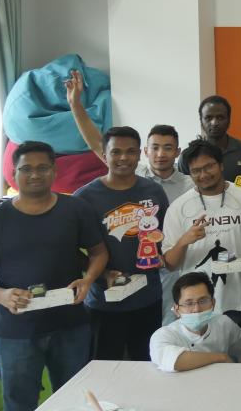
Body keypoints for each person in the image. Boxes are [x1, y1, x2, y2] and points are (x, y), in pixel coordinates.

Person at [0, 141, 109, 411]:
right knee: (19, 403)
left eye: (43, 168)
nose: (35, 174)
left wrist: (88, 279)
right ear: (13, 173)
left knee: (74, 399)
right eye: (26, 168)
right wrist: (1, 295)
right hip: (17, 329)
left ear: (54, 171)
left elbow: (98, 253)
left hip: (70, 323)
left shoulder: (75, 209)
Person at [73, 126, 170, 361]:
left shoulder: (154, 191)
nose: (124, 158)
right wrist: (101, 273)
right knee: (104, 367)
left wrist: (162, 255)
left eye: (130, 151)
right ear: (104, 155)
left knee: (147, 364)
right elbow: (69, 249)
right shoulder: (84, 198)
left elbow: (165, 236)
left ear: (140, 154)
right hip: (103, 302)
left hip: (148, 297)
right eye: (116, 152)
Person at [163, 139, 241, 335]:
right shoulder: (178, 208)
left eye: (209, 166)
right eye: (196, 171)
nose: (203, 175)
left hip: (237, 302)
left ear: (221, 165)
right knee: (200, 355)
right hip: (195, 308)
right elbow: (170, 264)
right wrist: (185, 240)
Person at [65, 70, 191, 202]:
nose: (160, 154)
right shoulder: (130, 170)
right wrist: (75, 104)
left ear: (177, 152)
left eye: (168, 148)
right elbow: (97, 143)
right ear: (145, 152)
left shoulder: (191, 185)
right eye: (155, 148)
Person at [149, 272, 241, 372]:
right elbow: (175, 361)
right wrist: (221, 357)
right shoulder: (164, 335)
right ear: (177, 310)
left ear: (213, 303)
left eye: (203, 301)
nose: (197, 309)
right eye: (189, 303)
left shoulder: (224, 324)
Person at [177, 95, 241, 184]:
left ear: (229, 120)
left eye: (220, 117)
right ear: (201, 121)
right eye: (208, 118)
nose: (214, 123)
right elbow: (183, 188)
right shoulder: (188, 156)